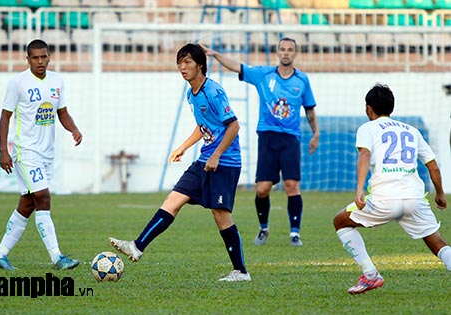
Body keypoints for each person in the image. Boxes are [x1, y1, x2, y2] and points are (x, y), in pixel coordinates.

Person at [109, 43, 251, 282]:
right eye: (179, 62)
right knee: (173, 200)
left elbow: (233, 126)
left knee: (220, 215)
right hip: (204, 159)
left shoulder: (213, 91)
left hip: (225, 161)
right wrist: (183, 147)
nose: (182, 67)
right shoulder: (191, 94)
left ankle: (241, 272)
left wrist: (217, 155)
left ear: (200, 65)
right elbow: (203, 125)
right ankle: (137, 246)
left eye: (187, 62)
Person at [333, 83, 450, 295]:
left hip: (384, 199)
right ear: (391, 107)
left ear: (369, 108)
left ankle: (370, 275)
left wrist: (359, 189)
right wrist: (440, 194)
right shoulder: (412, 131)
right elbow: (432, 165)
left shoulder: (367, 128)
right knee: (438, 243)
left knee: (340, 221)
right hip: (415, 199)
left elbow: (365, 155)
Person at [202, 37, 319, 247]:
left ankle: (295, 233)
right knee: (262, 189)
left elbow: (309, 108)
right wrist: (215, 54)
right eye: (283, 49)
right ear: (277, 52)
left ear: (295, 53)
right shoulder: (264, 75)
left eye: (290, 50)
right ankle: (263, 228)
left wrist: (315, 133)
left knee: (292, 185)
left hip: (291, 137)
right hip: (267, 136)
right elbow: (237, 66)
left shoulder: (302, 80)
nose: (286, 53)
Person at [0, 39, 82, 271]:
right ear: (28, 59)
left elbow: (62, 112)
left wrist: (74, 129)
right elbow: (5, 117)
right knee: (43, 197)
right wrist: (3, 150)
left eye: (44, 57)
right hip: (26, 151)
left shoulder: (57, 80)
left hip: (46, 154)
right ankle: (57, 257)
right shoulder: (18, 82)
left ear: (49, 57)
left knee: (27, 204)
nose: (40, 62)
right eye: (35, 58)